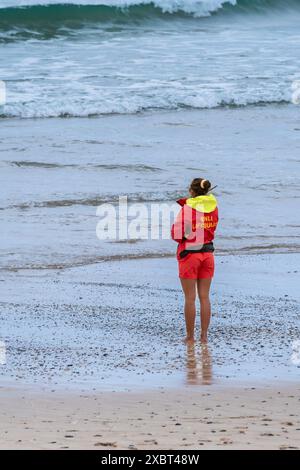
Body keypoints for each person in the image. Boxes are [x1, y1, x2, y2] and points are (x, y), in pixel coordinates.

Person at [171, 178, 218, 344]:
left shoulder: (188, 208)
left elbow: (176, 235)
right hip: (208, 254)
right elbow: (211, 228)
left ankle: (190, 337)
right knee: (204, 297)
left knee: (190, 298)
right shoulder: (214, 207)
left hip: (190, 255)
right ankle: (204, 336)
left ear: (191, 191)